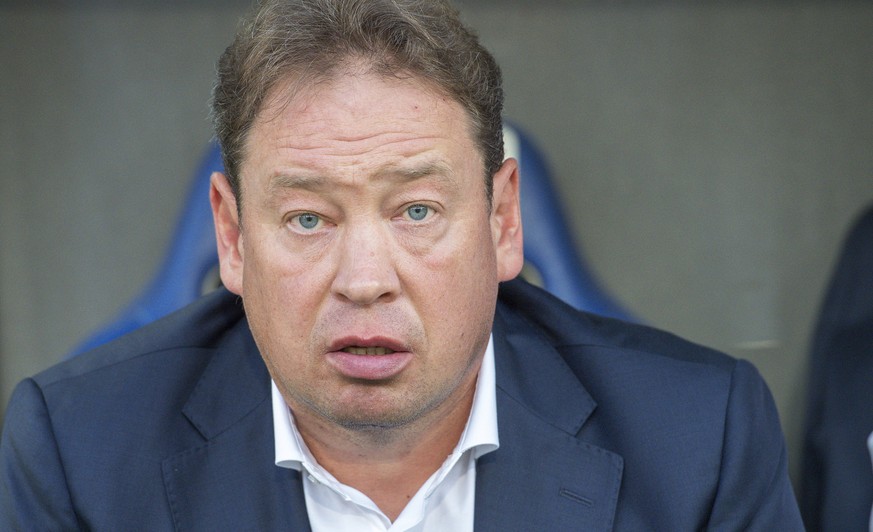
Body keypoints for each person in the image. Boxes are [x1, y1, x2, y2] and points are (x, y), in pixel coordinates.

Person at [0, 0, 803, 529]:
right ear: (234, 237)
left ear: (501, 219)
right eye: (307, 217)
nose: (363, 279)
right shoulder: (75, 454)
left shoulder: (702, 437)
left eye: (416, 210)